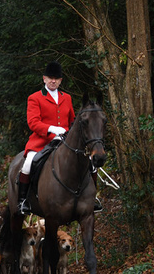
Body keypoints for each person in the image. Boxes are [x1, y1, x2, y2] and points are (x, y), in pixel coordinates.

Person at [17, 61, 101, 214]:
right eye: (50, 78)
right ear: (44, 79)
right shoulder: (34, 98)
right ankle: (23, 201)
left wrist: (70, 133)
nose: (53, 81)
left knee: (91, 163)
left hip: (65, 141)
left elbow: (73, 121)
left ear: (61, 80)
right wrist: (51, 129)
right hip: (41, 142)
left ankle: (92, 199)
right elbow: (33, 122)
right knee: (28, 164)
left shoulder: (66, 98)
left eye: (56, 78)